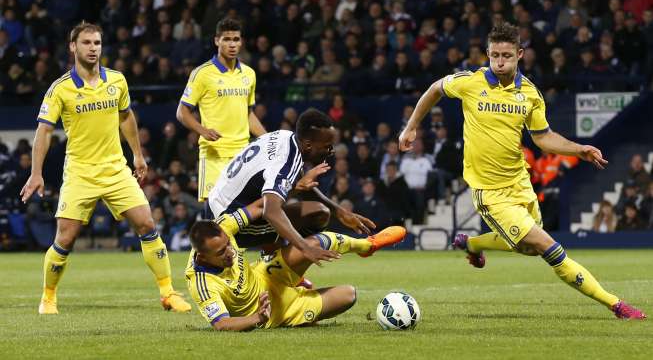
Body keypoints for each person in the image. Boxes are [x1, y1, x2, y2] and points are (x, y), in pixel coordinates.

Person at [398, 22, 645, 319]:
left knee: (528, 248)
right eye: (494, 56)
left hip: (519, 182)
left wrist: (579, 149)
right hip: (489, 192)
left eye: (506, 56)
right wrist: (411, 127)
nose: (499, 62)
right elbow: (434, 89)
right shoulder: (470, 82)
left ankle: (471, 243)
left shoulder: (529, 93)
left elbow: (542, 137)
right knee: (547, 247)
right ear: (487, 54)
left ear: (519, 54)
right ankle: (616, 305)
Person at [20, 22, 191, 315]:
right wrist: (36, 172)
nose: (93, 48)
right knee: (65, 238)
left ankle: (168, 293)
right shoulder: (60, 89)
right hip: (80, 172)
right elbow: (44, 132)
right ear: (73, 47)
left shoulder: (117, 81)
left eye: (97, 43)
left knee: (147, 224)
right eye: (86, 43)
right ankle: (48, 298)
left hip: (115, 169)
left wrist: (137, 155)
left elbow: (126, 117)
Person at [186, 201, 406, 331]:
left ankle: (367, 245)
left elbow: (263, 204)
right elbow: (222, 324)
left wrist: (296, 187)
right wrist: (256, 318)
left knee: (313, 244)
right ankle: (301, 301)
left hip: (266, 275)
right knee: (349, 295)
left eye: (228, 244)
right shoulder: (201, 282)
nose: (230, 252)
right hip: (274, 312)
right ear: (203, 258)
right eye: (221, 252)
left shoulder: (224, 225)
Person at [207, 108, 376, 265]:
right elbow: (271, 211)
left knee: (305, 212)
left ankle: (271, 259)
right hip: (229, 223)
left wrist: (341, 212)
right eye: (327, 146)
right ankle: (275, 271)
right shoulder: (285, 162)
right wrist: (305, 247)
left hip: (220, 204)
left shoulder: (286, 137)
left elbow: (301, 186)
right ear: (309, 145)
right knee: (317, 214)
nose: (331, 151)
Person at [176, 18, 266, 206]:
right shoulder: (202, 73)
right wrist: (202, 130)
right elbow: (182, 112)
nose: (232, 44)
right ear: (217, 41)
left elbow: (247, 114)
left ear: (241, 42)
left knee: (246, 211)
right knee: (216, 212)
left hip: (243, 153)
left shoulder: (249, 74)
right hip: (214, 154)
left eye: (236, 39)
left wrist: (269, 138)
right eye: (226, 39)